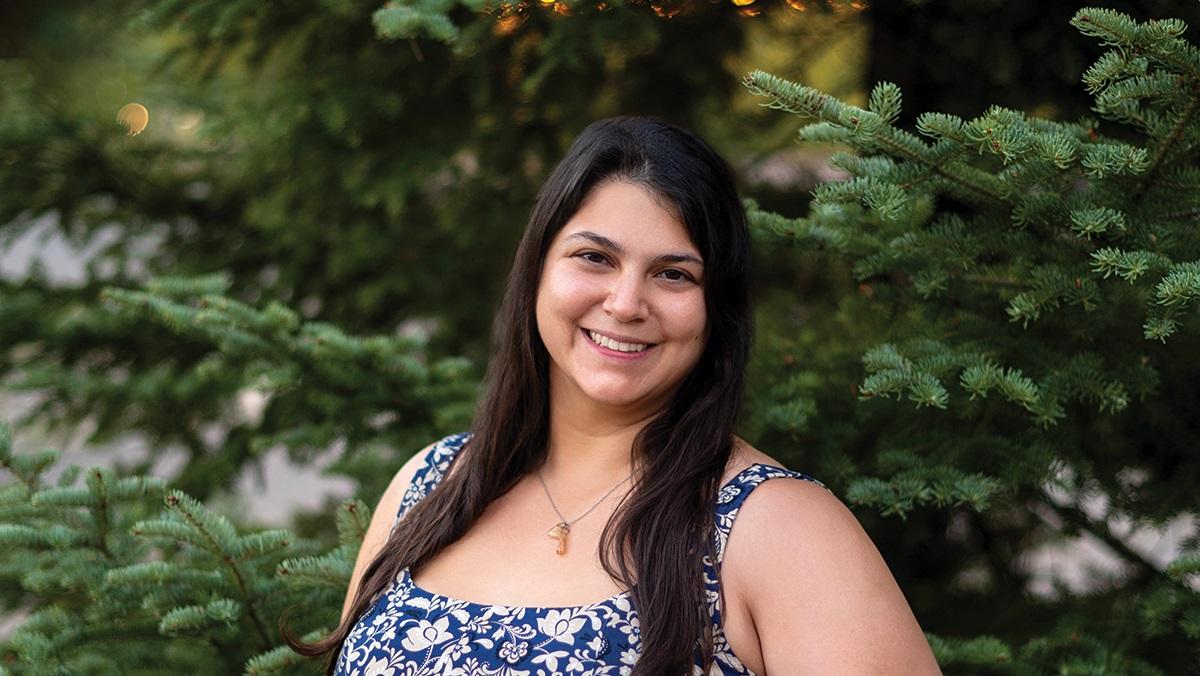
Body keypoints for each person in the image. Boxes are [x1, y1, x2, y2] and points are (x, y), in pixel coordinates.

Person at [288, 116, 941, 674]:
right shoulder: (431, 486)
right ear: (539, 268)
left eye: (673, 273)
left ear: (716, 308)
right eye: (595, 258)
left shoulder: (777, 528)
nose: (626, 303)